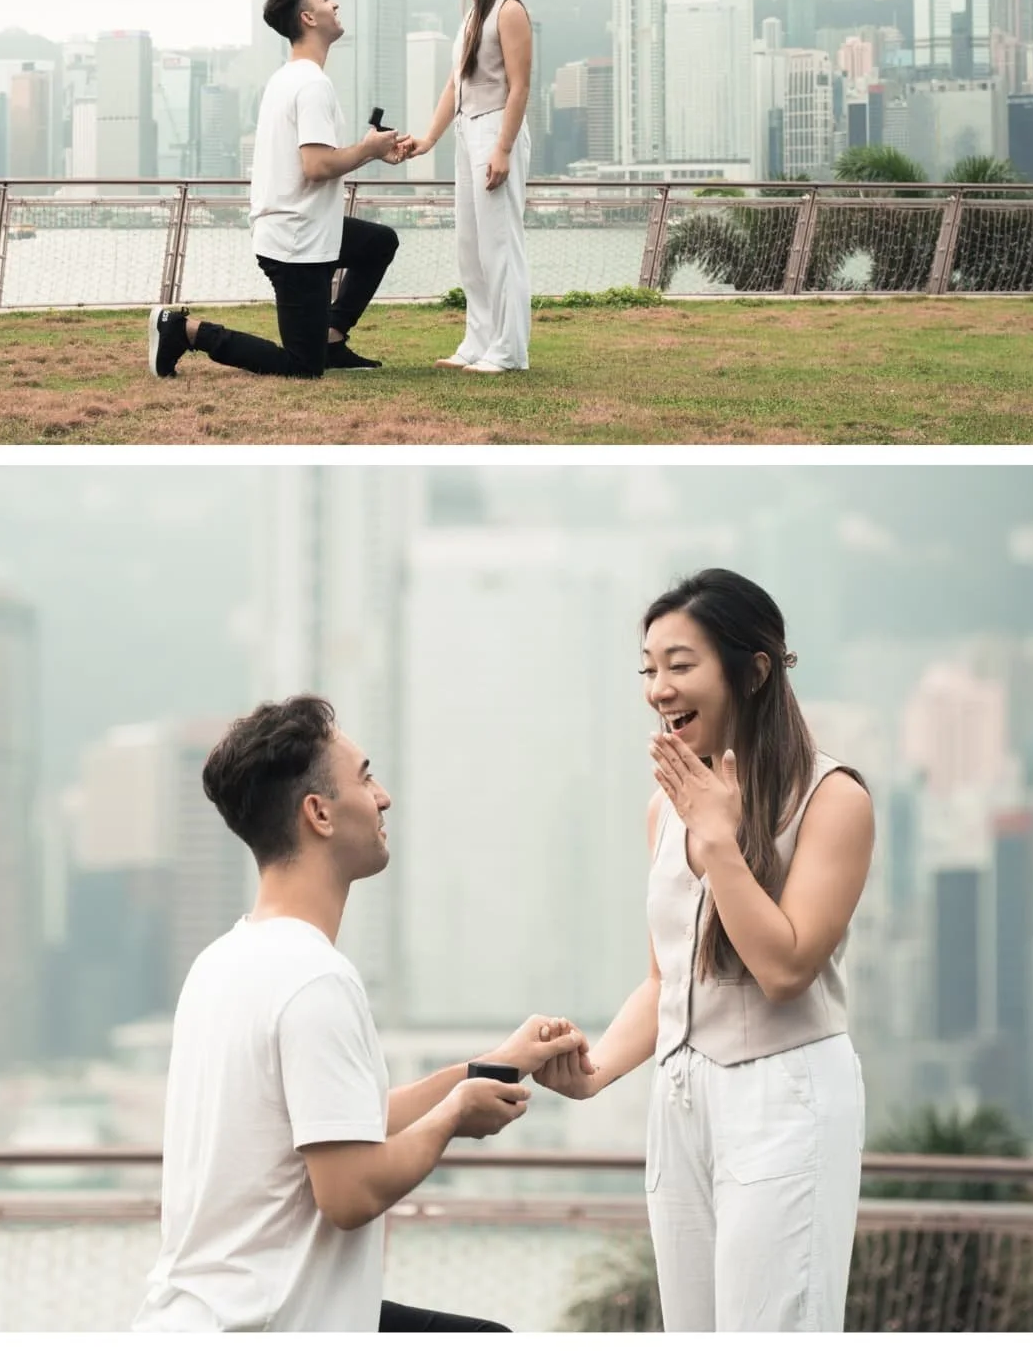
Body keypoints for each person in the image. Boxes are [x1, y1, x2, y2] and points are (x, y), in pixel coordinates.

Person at [132, 695, 586, 1334]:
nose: (384, 797)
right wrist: (455, 1117)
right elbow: (347, 1193)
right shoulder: (315, 978)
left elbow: (348, 1118)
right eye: (366, 777)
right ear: (318, 813)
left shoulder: (224, 960)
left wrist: (498, 1066)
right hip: (272, 1329)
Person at [535, 569, 875, 1333]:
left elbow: (785, 970)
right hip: (682, 1100)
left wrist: (719, 841)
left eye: (680, 664)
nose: (659, 688)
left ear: (753, 671)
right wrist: (591, 1075)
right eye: (649, 668)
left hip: (785, 1098)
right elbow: (666, 979)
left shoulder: (833, 799)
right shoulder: (665, 808)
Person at [147, 0, 406, 380]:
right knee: (302, 368)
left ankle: (331, 340)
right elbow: (317, 166)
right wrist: (370, 149)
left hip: (306, 230)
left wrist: (368, 148)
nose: (334, 3)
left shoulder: (289, 78)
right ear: (308, 17)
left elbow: (314, 160)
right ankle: (185, 330)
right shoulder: (311, 84)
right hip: (295, 243)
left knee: (378, 243)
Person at [397, 0, 533, 373]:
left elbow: (519, 88)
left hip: (496, 130)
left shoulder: (509, 10)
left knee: (499, 244)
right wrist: (427, 139)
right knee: (470, 245)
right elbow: (455, 83)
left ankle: (509, 351)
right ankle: (479, 342)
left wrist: (504, 149)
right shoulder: (472, 13)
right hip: (466, 131)